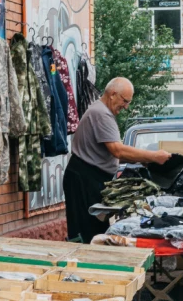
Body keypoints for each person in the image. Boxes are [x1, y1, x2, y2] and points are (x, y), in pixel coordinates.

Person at [63, 77, 171, 243]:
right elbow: (118, 150)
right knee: (86, 231)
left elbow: (110, 154)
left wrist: (140, 160)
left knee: (95, 228)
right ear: (113, 94)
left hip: (90, 176)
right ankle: (86, 265)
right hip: (84, 178)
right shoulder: (101, 114)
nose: (126, 106)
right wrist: (154, 156)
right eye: (125, 101)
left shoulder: (101, 111)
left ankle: (93, 264)